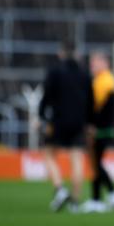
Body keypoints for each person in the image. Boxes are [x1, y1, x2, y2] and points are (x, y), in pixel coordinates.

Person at [39, 40, 92, 213]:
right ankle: (75, 202)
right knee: (76, 158)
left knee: (48, 153)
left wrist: (41, 116)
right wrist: (89, 122)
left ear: (61, 53)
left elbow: (46, 95)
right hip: (79, 121)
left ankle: (60, 189)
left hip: (58, 120)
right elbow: (90, 100)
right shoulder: (84, 73)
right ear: (76, 53)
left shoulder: (55, 72)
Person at [80, 51, 114, 213]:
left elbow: (98, 108)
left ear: (105, 63)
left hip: (101, 129)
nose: (93, 66)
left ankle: (113, 194)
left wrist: (92, 125)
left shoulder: (104, 81)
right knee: (96, 163)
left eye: (96, 62)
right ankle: (97, 199)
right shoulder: (104, 80)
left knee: (96, 163)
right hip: (103, 128)